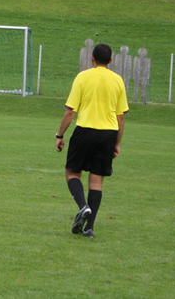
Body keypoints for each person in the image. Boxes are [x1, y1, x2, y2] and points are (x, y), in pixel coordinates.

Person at [55, 43, 128, 238]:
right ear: (110, 60)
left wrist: (60, 135)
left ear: (92, 58)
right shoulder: (118, 80)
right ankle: (89, 228)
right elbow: (121, 117)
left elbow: (70, 111)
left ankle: (83, 206)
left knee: (72, 172)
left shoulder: (83, 77)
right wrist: (117, 143)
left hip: (85, 131)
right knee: (96, 180)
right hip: (108, 134)